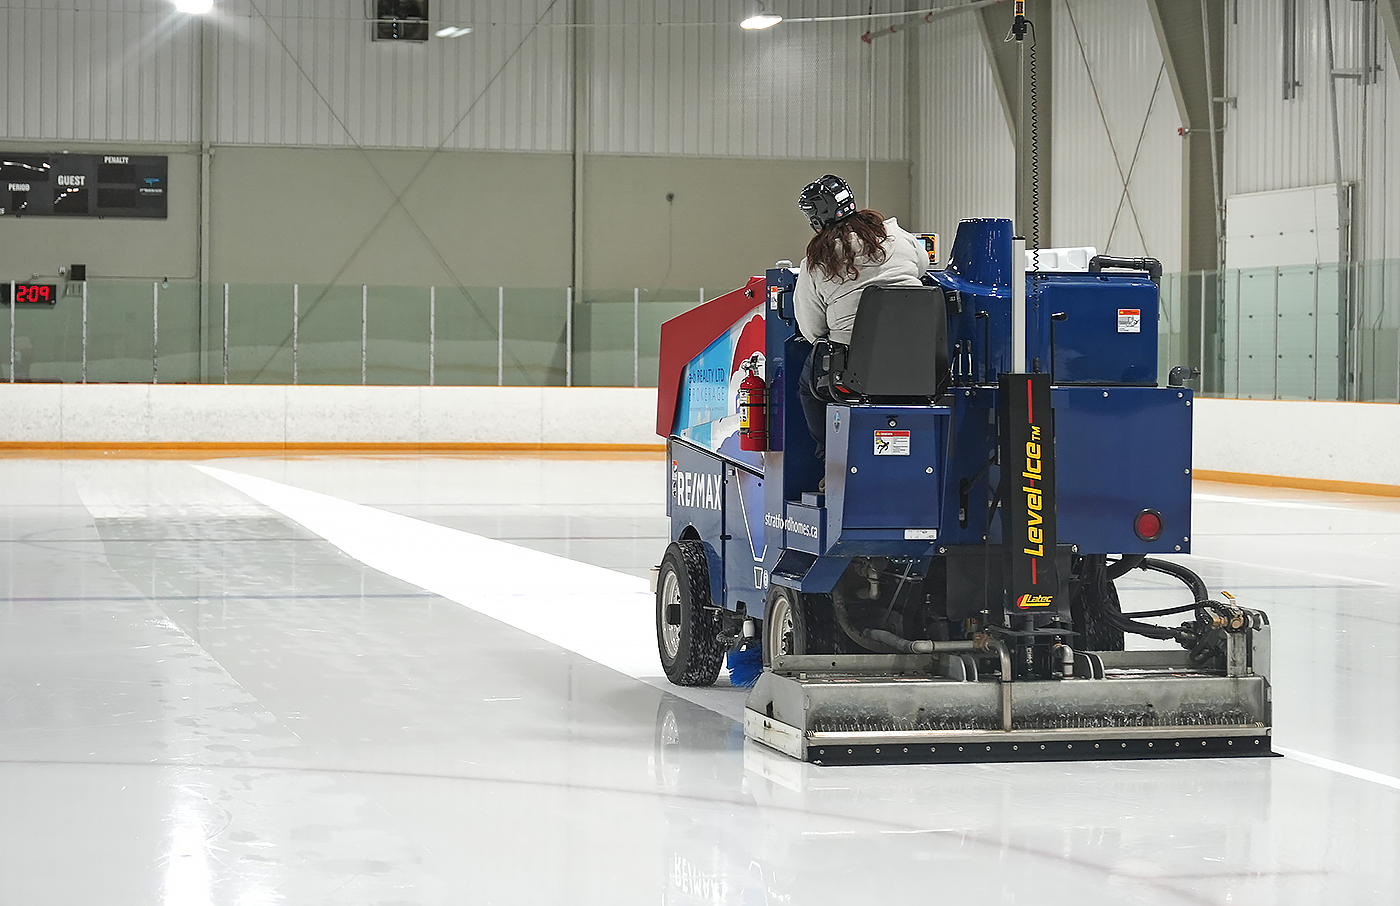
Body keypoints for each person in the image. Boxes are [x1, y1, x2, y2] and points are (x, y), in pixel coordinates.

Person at [793, 174, 926, 460]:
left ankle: (830, 458)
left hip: (854, 371)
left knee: (807, 384)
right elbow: (922, 268)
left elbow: (812, 329)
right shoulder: (898, 236)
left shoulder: (818, 261)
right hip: (919, 364)